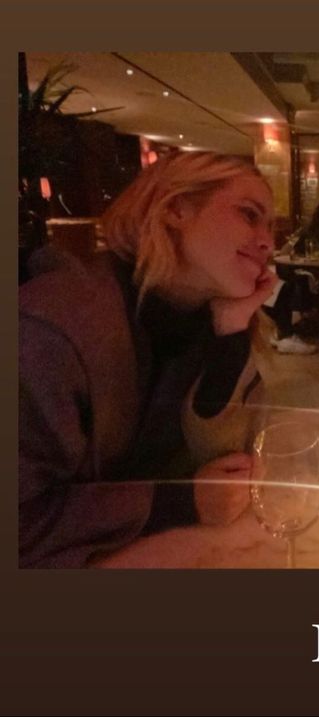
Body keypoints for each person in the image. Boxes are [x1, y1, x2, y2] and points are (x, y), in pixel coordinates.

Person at [19, 151, 279, 567]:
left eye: (271, 226)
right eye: (249, 215)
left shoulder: (201, 313)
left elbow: (229, 462)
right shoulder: (51, 328)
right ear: (176, 208)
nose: (268, 241)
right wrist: (177, 502)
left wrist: (232, 332)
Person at [267, 202, 319, 354]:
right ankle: (293, 331)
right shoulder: (307, 232)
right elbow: (284, 251)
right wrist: (293, 240)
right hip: (305, 272)